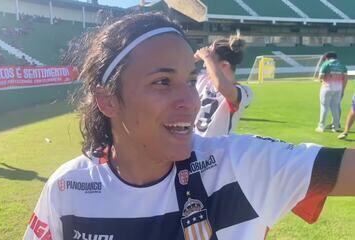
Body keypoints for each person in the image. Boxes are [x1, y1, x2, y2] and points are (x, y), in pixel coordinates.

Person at [24, 12, 354, 240]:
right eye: (163, 81)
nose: (190, 101)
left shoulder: (242, 167)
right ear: (108, 100)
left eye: (190, 80)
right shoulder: (69, 189)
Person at [194, 36, 253, 137]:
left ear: (225, 65)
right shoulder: (203, 80)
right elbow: (178, 71)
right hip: (194, 146)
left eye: (209, 63)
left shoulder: (244, 92)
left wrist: (207, 57)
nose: (204, 65)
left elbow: (223, 87)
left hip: (216, 150)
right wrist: (195, 58)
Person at [316, 52, 348, 133]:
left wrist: (321, 80)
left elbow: (320, 77)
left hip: (327, 88)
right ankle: (336, 126)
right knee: (335, 107)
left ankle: (321, 126)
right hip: (338, 89)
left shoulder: (326, 64)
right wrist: (343, 90)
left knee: (324, 107)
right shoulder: (342, 65)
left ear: (327, 57)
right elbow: (345, 79)